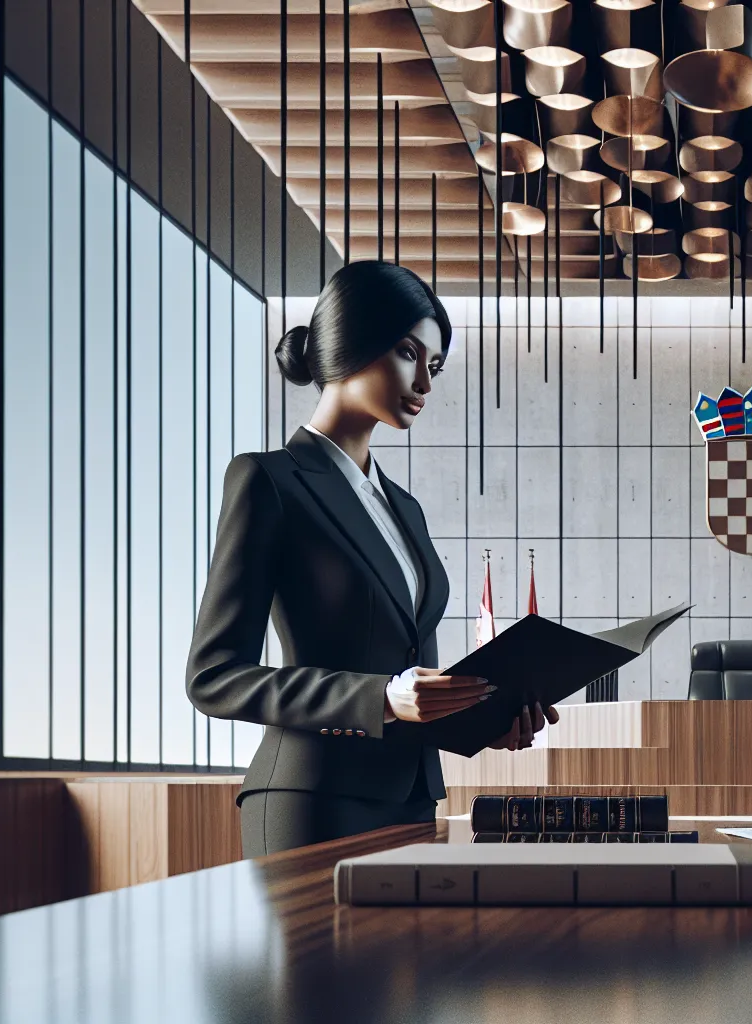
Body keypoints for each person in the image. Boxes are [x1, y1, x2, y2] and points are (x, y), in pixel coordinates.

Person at [186, 260, 555, 857]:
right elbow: (213, 678)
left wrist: (487, 718)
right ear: (352, 342)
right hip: (311, 799)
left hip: (411, 798)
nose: (426, 384)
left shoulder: (404, 509)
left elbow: (410, 674)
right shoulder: (269, 481)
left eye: (434, 365)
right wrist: (379, 698)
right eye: (410, 354)